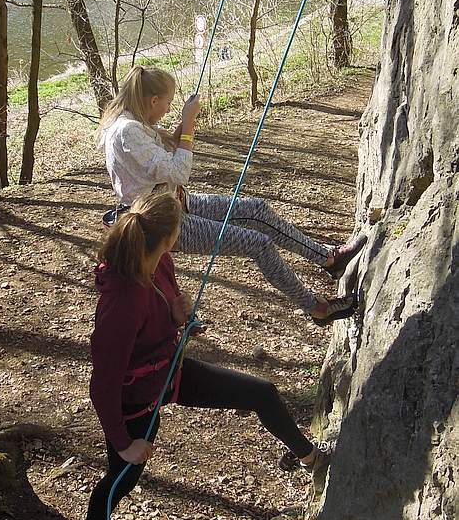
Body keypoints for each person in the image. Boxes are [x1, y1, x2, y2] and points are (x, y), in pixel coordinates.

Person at [77, 192, 331, 520]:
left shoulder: (160, 261)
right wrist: (125, 443)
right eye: (179, 228)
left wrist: (180, 316)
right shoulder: (123, 300)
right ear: (168, 235)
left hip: (171, 372)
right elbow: (104, 383)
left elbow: (166, 308)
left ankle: (311, 458)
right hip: (136, 402)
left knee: (261, 393)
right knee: (122, 478)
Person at [97, 65, 366, 326]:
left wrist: (181, 130)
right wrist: (188, 125)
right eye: (167, 103)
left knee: (256, 210)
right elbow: (178, 171)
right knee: (258, 243)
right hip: (161, 223)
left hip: (178, 204)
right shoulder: (127, 131)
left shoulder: (135, 124)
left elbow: (160, 159)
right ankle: (316, 308)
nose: (168, 109)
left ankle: (329, 259)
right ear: (153, 100)